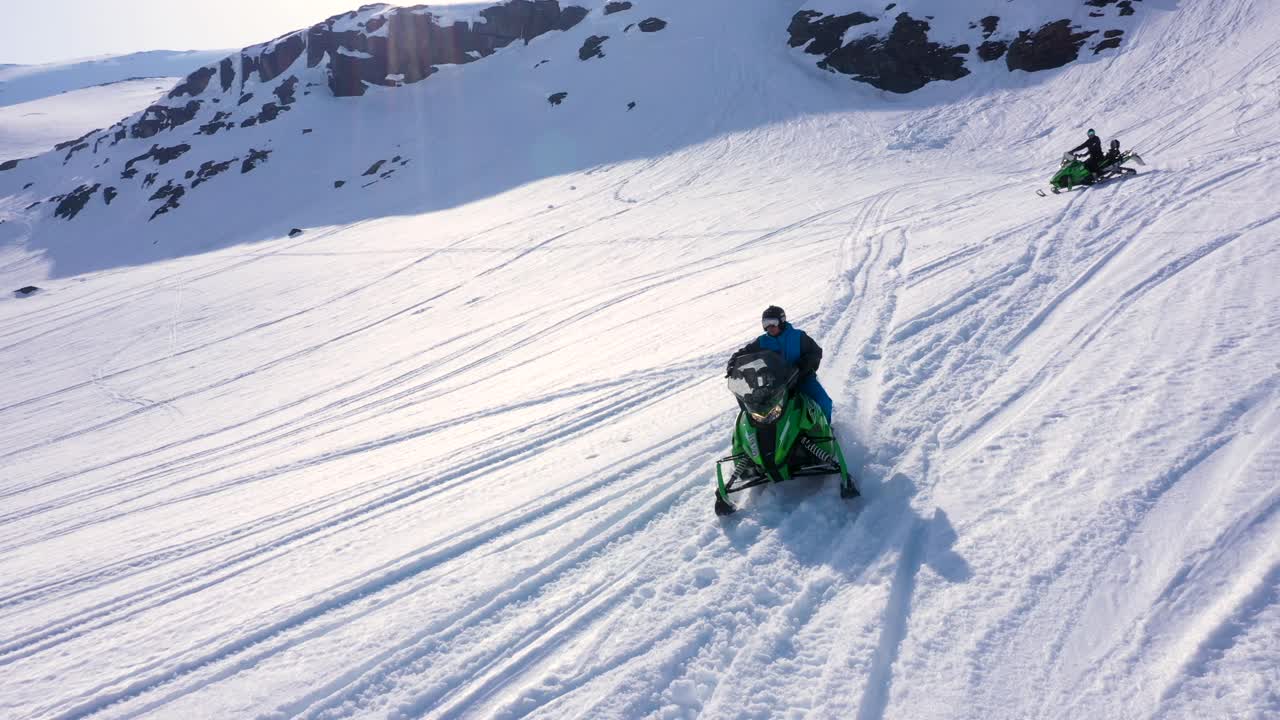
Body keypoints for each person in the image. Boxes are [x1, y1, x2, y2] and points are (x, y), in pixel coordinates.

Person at [726, 306, 833, 422]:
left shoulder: (798, 336)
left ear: (782, 321)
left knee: (824, 401)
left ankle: (826, 428)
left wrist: (803, 365)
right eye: (765, 323)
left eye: (773, 322)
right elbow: (743, 354)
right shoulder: (762, 341)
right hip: (776, 384)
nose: (769, 327)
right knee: (759, 412)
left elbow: (815, 352)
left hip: (802, 378)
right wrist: (733, 364)